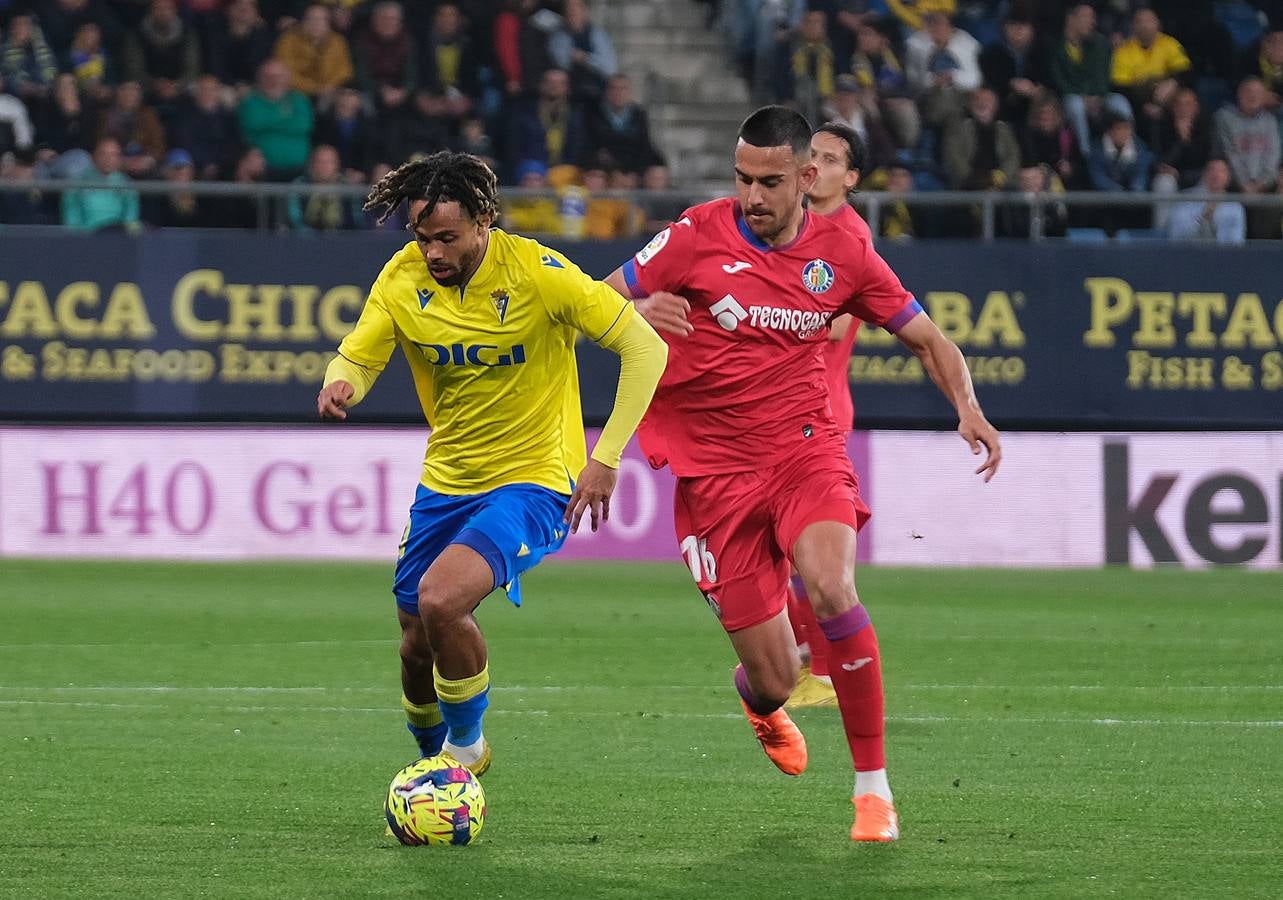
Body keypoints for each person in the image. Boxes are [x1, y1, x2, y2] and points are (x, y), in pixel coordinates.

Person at [606, 106, 1001, 842]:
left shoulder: (843, 253)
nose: (752, 197)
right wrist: (633, 313)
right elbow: (590, 300)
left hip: (804, 450)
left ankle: (873, 793)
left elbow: (925, 336)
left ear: (806, 177)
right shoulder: (693, 235)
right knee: (775, 676)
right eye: (742, 179)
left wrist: (968, 408)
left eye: (770, 182)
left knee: (830, 584)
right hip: (715, 476)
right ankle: (760, 702)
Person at [316, 151, 667, 778]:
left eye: (447, 238)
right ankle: (431, 773)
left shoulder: (539, 273)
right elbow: (360, 356)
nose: (434, 253)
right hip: (446, 481)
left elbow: (645, 347)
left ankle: (464, 753)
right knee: (415, 639)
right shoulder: (402, 279)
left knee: (442, 600)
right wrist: (342, 381)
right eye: (423, 239)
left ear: (485, 221)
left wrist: (606, 457)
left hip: (534, 481)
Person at [781, 120, 875, 711]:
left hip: (820, 410)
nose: (816, 164)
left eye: (830, 158)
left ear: (851, 177)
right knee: (780, 550)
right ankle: (798, 659)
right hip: (780, 409)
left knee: (808, 554)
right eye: (810, 154)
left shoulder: (849, 237)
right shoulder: (792, 225)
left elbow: (839, 320)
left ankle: (818, 669)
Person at [1167, 157, 1245, 244]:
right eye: (1212, 170)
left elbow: (1237, 241)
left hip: (1222, 255)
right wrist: (1203, 218)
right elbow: (1177, 235)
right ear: (1204, 174)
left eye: (1221, 171)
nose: (1216, 175)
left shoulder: (1235, 206)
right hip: (1189, 252)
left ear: (1228, 177)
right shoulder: (1186, 199)